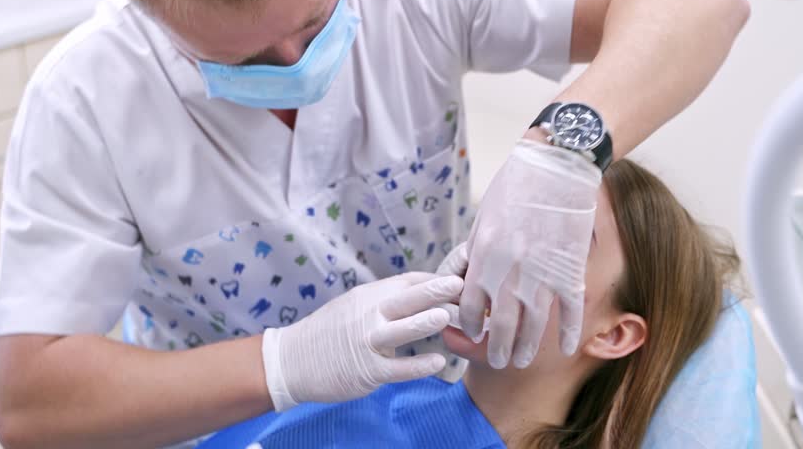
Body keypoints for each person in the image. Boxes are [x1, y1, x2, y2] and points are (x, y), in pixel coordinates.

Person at [0, 0, 750, 449]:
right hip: (215, 419)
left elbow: (700, 4)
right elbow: (29, 405)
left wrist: (560, 155)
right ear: (149, 13)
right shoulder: (84, 100)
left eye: (317, 18)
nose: (295, 62)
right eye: (246, 57)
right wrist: (286, 363)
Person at [199, 157, 748, 449]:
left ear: (612, 334)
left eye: (564, 240)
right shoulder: (372, 388)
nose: (504, 244)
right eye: (515, 215)